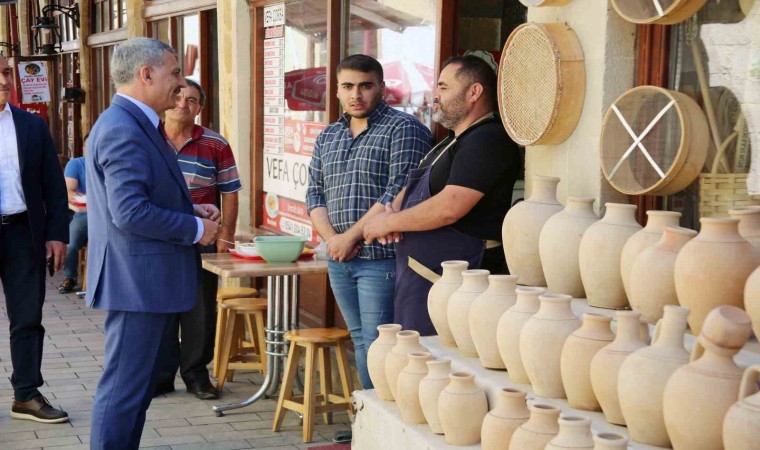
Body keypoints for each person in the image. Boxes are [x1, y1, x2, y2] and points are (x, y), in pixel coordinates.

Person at [85, 38, 220, 449]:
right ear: (146, 75)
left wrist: (192, 213)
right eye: (174, 73)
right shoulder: (123, 127)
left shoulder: (135, 123)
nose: (180, 84)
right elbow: (128, 212)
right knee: (124, 393)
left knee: (135, 392)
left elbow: (141, 199)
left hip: (145, 281)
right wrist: (196, 231)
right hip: (137, 284)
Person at [363, 55, 522, 335]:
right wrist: (392, 215)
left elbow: (450, 206)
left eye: (443, 87)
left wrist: (390, 223)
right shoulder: (449, 142)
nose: (435, 95)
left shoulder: (488, 139)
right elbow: (406, 193)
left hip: (459, 284)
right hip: (423, 278)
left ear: (474, 92)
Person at [306, 54, 432, 389]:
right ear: (336, 90)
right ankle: (367, 420)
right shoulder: (328, 135)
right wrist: (334, 239)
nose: (356, 94)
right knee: (361, 341)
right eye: (348, 86)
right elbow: (314, 194)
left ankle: (381, 425)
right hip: (340, 259)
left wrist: (348, 238)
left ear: (382, 88)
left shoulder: (404, 129)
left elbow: (398, 192)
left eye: (365, 85)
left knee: (382, 344)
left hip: (381, 260)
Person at [155, 78, 242, 400]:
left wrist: (226, 236)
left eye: (191, 99)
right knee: (160, 309)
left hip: (203, 240)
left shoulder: (215, 144)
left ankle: (195, 375)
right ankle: (161, 376)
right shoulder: (149, 140)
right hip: (159, 238)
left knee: (200, 309)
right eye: (177, 96)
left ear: (199, 108)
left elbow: (230, 192)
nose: (182, 103)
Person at [0, 54, 70, 424]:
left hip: (21, 232)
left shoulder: (31, 125)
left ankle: (26, 394)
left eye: (6, 72)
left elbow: (53, 185)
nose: (3, 80)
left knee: (27, 316)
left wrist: (57, 233)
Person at [58, 135, 89, 294]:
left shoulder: (109, 163)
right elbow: (69, 192)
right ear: (83, 148)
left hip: (110, 214)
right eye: (88, 146)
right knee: (71, 242)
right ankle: (70, 276)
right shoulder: (76, 164)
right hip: (85, 213)